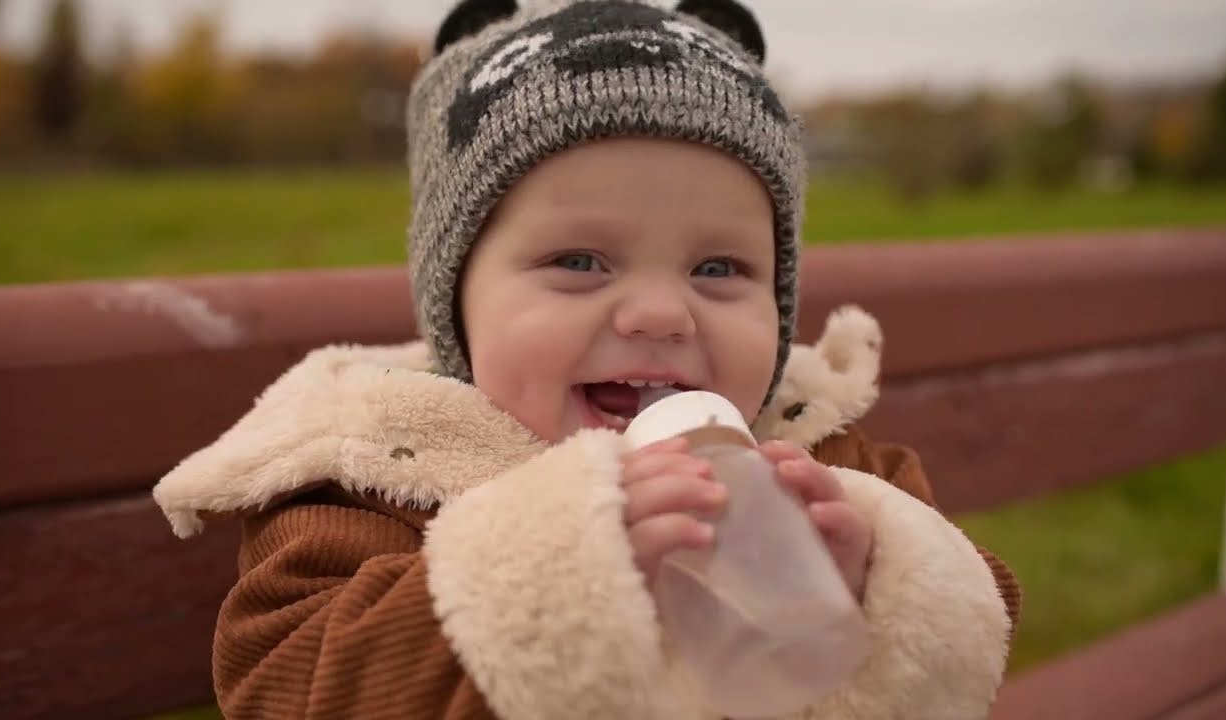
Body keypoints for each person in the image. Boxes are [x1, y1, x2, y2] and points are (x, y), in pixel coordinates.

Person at [154, 1, 1021, 717]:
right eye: (579, 262)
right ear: (457, 295)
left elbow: (979, 625)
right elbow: (283, 684)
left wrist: (875, 587)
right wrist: (561, 571)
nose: (657, 312)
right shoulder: (381, 469)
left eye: (718, 268)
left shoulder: (818, 457)